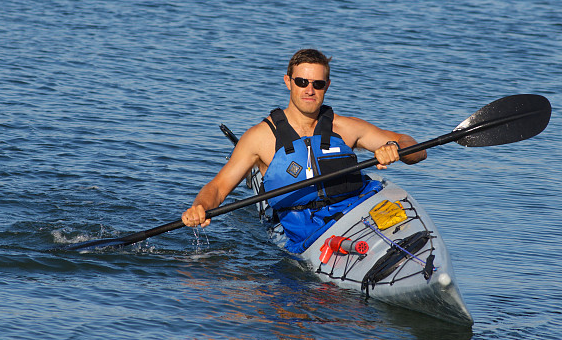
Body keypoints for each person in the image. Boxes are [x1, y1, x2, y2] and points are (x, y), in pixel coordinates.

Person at [181, 48, 427, 253]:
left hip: (355, 212)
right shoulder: (260, 138)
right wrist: (200, 207)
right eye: (302, 82)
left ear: (327, 86)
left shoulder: (347, 128)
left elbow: (416, 149)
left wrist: (395, 149)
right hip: (299, 228)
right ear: (288, 81)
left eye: (318, 84)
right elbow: (218, 187)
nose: (310, 90)